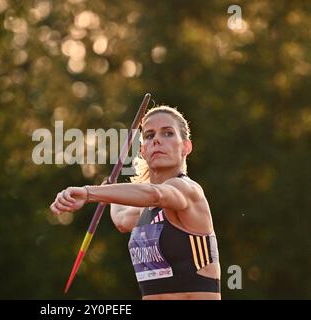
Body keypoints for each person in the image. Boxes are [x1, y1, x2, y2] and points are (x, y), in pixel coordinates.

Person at [50, 105, 221, 300]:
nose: (156, 139)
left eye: (167, 133)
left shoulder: (188, 191)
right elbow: (122, 220)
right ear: (143, 151)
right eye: (149, 135)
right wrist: (108, 190)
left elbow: (156, 194)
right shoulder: (146, 210)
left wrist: (89, 193)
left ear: (186, 147)